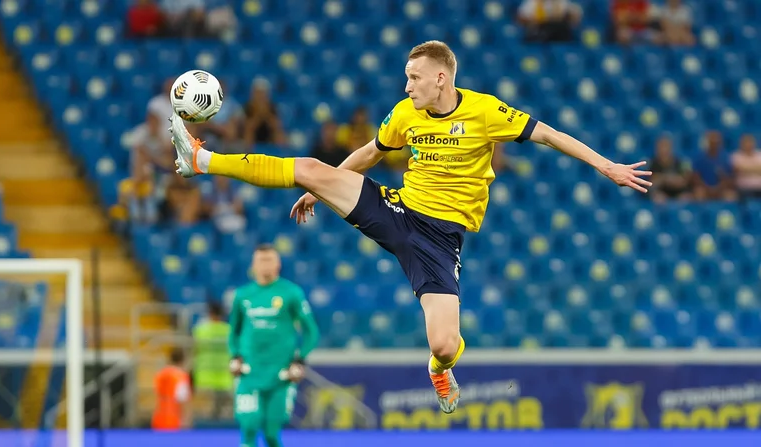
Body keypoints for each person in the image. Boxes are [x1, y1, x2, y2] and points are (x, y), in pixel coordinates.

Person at [169, 40, 652, 416]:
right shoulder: (405, 114)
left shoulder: (484, 111)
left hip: (441, 241)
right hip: (398, 210)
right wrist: (322, 186)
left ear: (441, 78)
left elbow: (548, 134)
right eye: (406, 77)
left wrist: (605, 165)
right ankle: (202, 159)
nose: (407, 87)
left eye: (414, 77)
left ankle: (439, 370)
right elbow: (370, 153)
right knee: (311, 167)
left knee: (445, 344)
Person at [228, 244, 320, 447]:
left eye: (270, 260)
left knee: (270, 434)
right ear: (253, 265)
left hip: (280, 376)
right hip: (249, 375)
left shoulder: (291, 293)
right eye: (261, 260)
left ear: (278, 264)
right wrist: (235, 356)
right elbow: (233, 332)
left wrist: (299, 360)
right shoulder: (243, 296)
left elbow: (311, 331)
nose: (265, 264)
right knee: (248, 428)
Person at [191, 300, 234, 420]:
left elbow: (194, 350)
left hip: (205, 376)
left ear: (210, 313)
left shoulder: (200, 330)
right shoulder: (229, 331)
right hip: (224, 376)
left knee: (205, 418)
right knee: (223, 417)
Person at [151, 348, 192, 431]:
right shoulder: (181, 376)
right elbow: (182, 399)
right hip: (174, 420)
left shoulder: (161, 374)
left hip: (159, 418)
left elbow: (157, 395)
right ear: (182, 361)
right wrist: (186, 421)